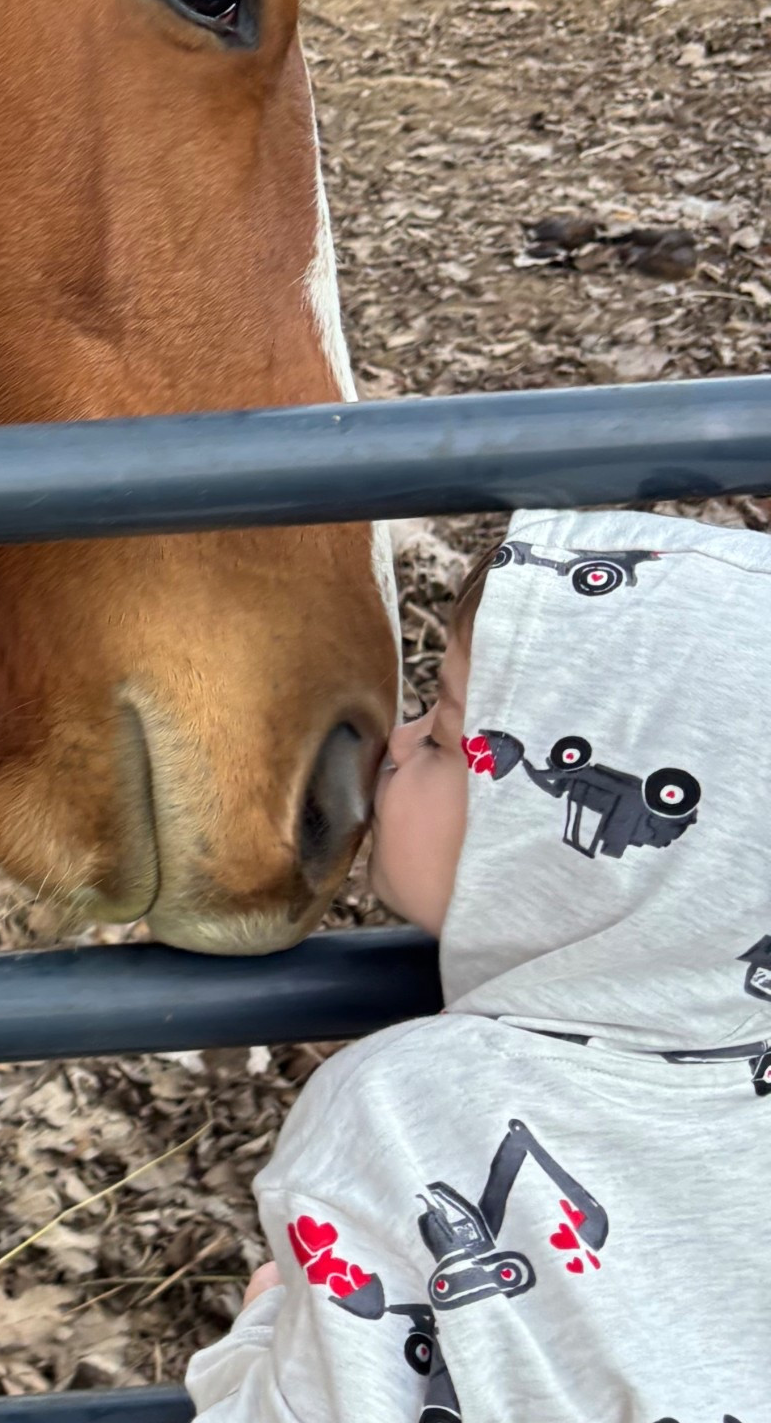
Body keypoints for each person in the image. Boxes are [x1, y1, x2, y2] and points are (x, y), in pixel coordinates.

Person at [186, 506, 771, 1423]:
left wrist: (258, 1341)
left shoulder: (401, 1115)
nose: (397, 742)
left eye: (447, 731)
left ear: (563, 847)